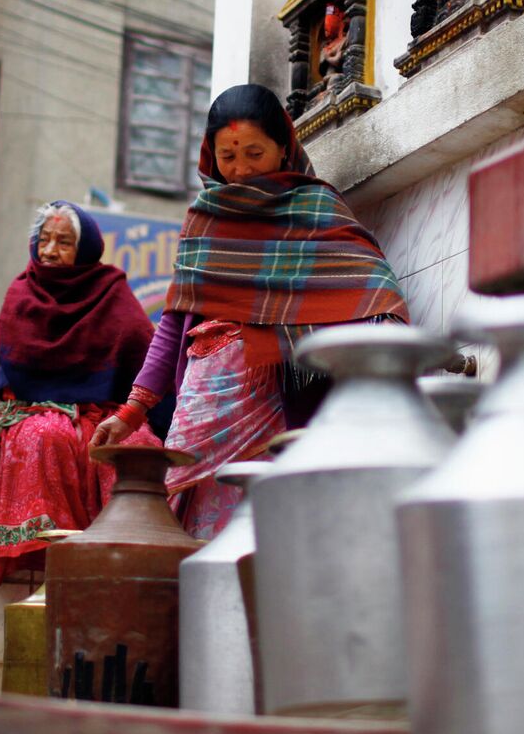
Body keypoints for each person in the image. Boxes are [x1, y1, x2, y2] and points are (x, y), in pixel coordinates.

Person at [90, 84, 409, 538]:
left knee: (262, 517)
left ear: (283, 147)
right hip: (201, 390)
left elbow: (371, 288)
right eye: (227, 156)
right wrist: (131, 412)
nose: (240, 170)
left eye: (254, 153)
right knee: (188, 504)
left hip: (274, 397)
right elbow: (174, 321)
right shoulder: (205, 219)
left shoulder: (317, 209)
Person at [0, 200, 160, 584]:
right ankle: (58, 558)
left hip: (106, 409)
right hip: (32, 410)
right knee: (49, 435)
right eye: (44, 240)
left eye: (63, 242)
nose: (49, 250)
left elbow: (146, 359)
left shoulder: (112, 292)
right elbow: (11, 378)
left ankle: (126, 557)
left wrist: (127, 414)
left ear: (85, 250)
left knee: (128, 449)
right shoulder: (21, 294)